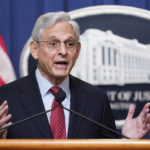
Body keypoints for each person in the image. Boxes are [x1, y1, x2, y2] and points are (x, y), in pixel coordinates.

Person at [0, 11, 150, 139]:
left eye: (69, 44)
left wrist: (125, 141)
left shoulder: (97, 100)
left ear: (77, 51)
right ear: (34, 49)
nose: (63, 52)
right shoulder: (5, 97)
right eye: (53, 44)